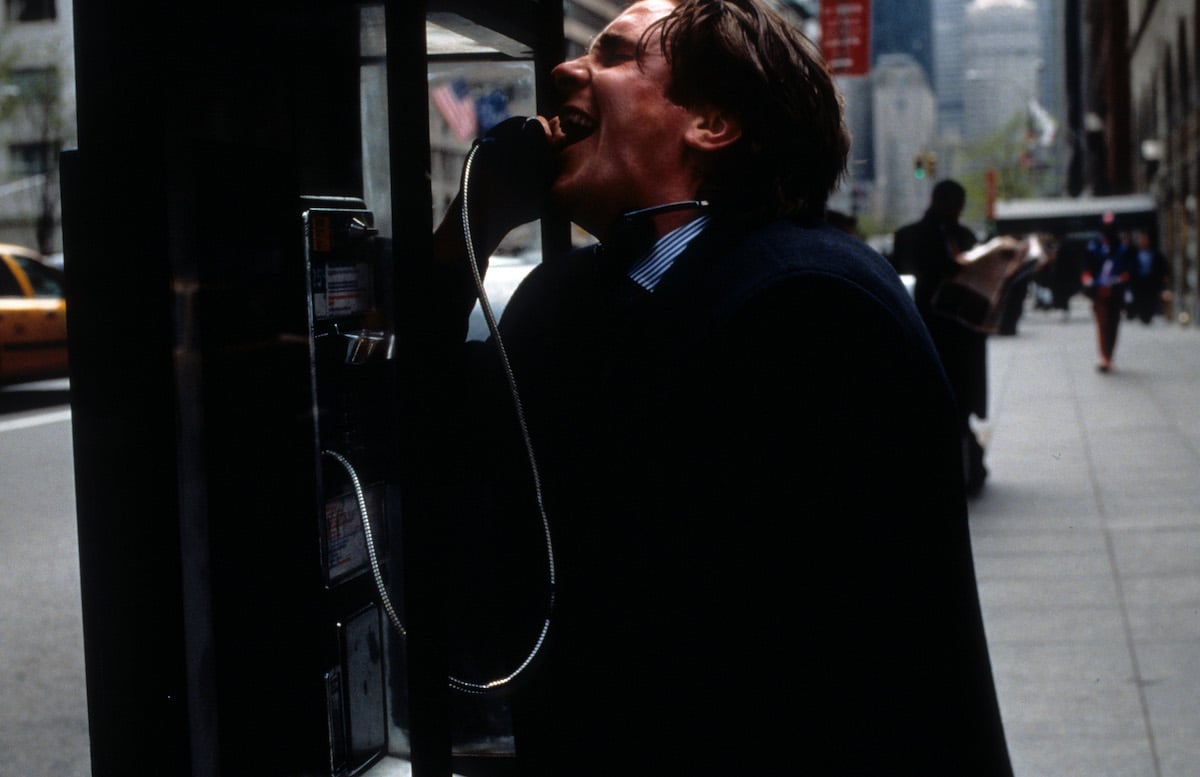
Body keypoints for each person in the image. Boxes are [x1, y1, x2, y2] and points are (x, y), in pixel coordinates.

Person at [414, 1, 1012, 774]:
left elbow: (825, 654)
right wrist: (470, 224)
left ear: (712, 122)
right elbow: (427, 446)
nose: (565, 71)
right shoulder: (561, 301)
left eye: (616, 56)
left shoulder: (810, 303)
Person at [893, 180, 990, 495]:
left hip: (959, 335)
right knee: (942, 406)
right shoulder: (914, 237)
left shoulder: (964, 237)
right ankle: (956, 471)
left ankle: (965, 470)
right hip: (937, 333)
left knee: (958, 407)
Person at [1082, 229, 1132, 371]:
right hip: (1099, 293)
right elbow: (1087, 268)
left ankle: (1109, 355)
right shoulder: (1094, 248)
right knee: (1103, 323)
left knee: (1113, 324)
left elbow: (1128, 270)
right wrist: (1089, 280)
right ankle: (1104, 356)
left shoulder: (1122, 249)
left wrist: (1119, 279)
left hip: (1116, 292)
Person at [1127, 230, 1169, 324]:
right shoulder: (1133, 255)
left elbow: (1163, 267)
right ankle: (1141, 316)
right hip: (1138, 283)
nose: (1143, 242)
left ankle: (1148, 317)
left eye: (1145, 239)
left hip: (1151, 283)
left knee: (1150, 302)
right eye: (1141, 240)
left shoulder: (1156, 254)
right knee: (1140, 301)